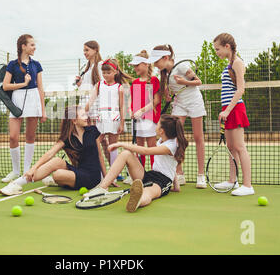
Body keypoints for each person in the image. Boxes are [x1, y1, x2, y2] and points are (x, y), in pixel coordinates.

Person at [83, 114, 187, 212]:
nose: (155, 125)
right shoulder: (162, 140)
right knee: (126, 154)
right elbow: (172, 163)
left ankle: (138, 200)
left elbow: (146, 151)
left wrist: (121, 144)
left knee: (148, 192)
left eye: (158, 123)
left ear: (162, 131)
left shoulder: (170, 146)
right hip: (149, 175)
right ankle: (102, 188)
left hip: (162, 181)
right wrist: (177, 186)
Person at [0, 106, 107, 195]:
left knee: (58, 175)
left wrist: (106, 179)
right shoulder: (67, 138)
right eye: (83, 115)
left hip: (92, 177)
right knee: (57, 161)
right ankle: (17, 184)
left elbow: (100, 156)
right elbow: (49, 154)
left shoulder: (93, 131)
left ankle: (60, 181)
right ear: (74, 121)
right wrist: (33, 168)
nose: (86, 117)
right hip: (79, 171)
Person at [150, 44, 207, 189]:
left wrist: (184, 82)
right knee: (174, 138)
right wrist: (167, 94)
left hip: (194, 102)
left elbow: (198, 82)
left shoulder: (182, 67)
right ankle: (179, 173)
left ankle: (201, 175)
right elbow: (170, 92)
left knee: (198, 137)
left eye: (157, 61)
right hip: (179, 104)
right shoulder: (164, 73)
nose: (155, 65)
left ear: (166, 57)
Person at [1, 34, 47, 184]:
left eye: (34, 45)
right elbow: (5, 86)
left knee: (30, 137)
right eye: (32, 45)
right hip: (17, 99)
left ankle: (27, 170)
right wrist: (23, 84)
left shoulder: (37, 65)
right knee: (13, 137)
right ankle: (15, 171)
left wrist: (43, 110)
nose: (34, 47)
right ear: (23, 46)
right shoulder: (12, 65)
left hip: (33, 99)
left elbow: (40, 88)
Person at [213, 33, 254, 196]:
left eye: (218, 49)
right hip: (228, 109)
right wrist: (224, 110)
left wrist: (228, 110)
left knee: (240, 147)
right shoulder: (228, 65)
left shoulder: (237, 63)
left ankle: (248, 185)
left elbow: (240, 89)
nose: (217, 52)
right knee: (231, 148)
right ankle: (232, 181)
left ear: (227, 46)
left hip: (235, 109)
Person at [85, 59, 132, 171]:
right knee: (95, 142)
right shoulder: (99, 85)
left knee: (113, 146)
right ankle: (99, 171)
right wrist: (82, 111)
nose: (105, 75)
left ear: (115, 72)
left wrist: (122, 123)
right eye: (104, 72)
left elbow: (122, 107)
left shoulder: (119, 87)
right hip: (102, 118)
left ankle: (114, 173)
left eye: (108, 72)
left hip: (114, 118)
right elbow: (90, 101)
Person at [127, 50, 162, 184]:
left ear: (146, 65)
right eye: (134, 65)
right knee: (139, 149)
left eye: (138, 65)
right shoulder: (135, 82)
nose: (135, 68)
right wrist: (131, 110)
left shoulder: (153, 80)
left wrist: (142, 110)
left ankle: (155, 174)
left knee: (151, 148)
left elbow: (156, 100)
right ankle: (140, 175)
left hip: (149, 119)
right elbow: (131, 100)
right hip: (137, 120)